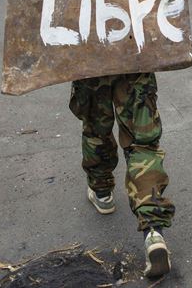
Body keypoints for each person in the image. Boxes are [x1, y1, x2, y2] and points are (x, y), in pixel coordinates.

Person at [69, 73, 174, 278]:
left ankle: (102, 194)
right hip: (134, 56)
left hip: (91, 59)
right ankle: (153, 232)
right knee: (142, 144)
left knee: (96, 131)